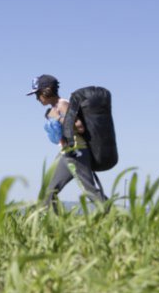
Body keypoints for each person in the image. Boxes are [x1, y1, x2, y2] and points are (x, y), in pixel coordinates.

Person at [27, 75, 108, 207]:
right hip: (65, 153)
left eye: (38, 94)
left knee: (90, 191)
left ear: (47, 91)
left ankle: (117, 214)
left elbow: (79, 126)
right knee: (48, 191)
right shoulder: (53, 108)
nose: (37, 98)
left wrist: (57, 117)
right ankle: (53, 220)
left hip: (76, 152)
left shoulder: (63, 104)